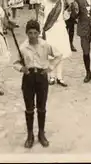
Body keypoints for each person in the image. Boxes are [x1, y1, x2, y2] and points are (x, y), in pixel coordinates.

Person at [13, 19, 63, 149]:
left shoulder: (45, 45)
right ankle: (30, 135)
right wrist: (21, 68)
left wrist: (50, 68)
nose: (33, 36)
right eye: (30, 33)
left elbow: (59, 55)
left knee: (41, 107)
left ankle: (41, 133)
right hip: (28, 78)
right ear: (26, 33)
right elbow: (15, 63)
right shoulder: (23, 47)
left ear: (39, 33)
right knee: (29, 108)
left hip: (41, 77)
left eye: (35, 33)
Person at [38, 0, 72, 87]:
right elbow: (40, 19)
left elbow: (64, 17)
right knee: (51, 54)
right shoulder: (43, 3)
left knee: (60, 53)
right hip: (49, 30)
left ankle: (59, 77)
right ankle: (52, 77)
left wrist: (69, 11)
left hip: (60, 29)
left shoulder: (61, 2)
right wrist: (40, 32)